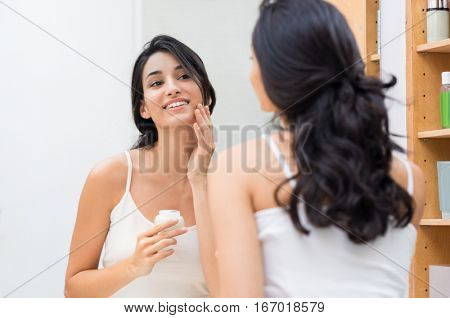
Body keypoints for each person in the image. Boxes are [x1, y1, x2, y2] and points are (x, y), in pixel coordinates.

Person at [207, 0, 425, 297]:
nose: (250, 73)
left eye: (253, 59)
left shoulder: (238, 169)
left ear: (278, 72)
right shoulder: (412, 179)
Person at [64, 35, 217, 297]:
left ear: (204, 93)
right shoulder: (111, 176)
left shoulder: (231, 183)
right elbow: (73, 290)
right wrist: (133, 266)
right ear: (143, 107)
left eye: (184, 77)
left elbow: (234, 293)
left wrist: (200, 180)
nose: (172, 88)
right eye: (157, 82)